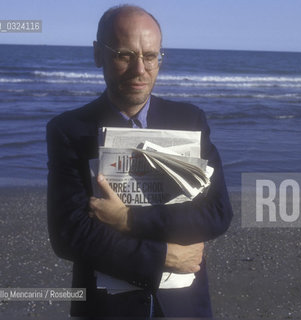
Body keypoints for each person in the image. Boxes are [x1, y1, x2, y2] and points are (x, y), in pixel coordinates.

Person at [46, 4, 233, 318]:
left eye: (150, 56)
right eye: (124, 54)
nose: (140, 70)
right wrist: (163, 256)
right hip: (106, 308)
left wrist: (128, 219)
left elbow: (217, 212)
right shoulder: (70, 130)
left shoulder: (189, 120)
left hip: (184, 307)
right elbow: (69, 235)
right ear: (98, 55)